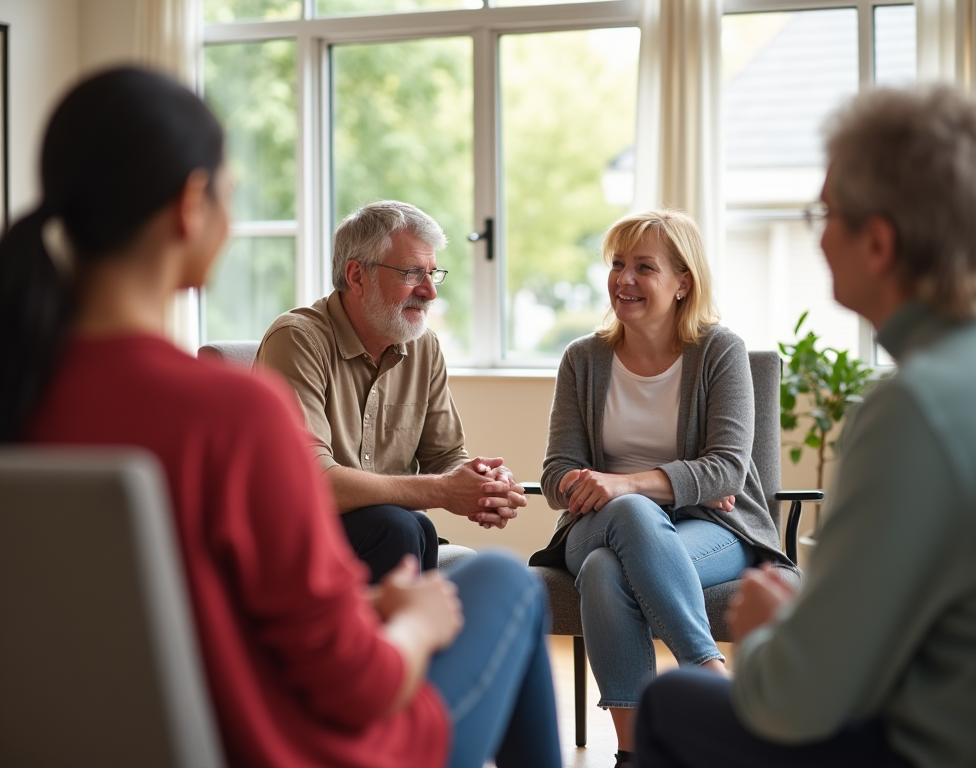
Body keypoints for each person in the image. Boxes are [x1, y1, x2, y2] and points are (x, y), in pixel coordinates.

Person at [0, 66, 561, 768]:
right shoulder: (229, 415)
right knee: (506, 585)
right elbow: (358, 687)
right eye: (231, 195)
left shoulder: (25, 394)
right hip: (291, 749)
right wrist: (411, 627)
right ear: (190, 204)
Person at [636, 84, 976, 768]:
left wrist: (763, 636)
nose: (818, 232)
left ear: (877, 242)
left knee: (670, 705)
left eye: (826, 211)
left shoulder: (916, 411)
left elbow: (793, 703)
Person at [530, 208, 796, 767]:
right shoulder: (583, 359)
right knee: (628, 517)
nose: (623, 280)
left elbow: (727, 469)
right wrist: (671, 485)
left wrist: (623, 482)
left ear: (683, 284)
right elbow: (557, 475)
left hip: (715, 529)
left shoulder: (719, 351)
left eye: (643, 267)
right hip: (595, 525)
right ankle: (712, 681)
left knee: (607, 570)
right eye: (618, 264)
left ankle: (635, 754)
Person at [256, 200, 526, 582]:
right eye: (413, 273)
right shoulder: (298, 340)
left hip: (399, 533)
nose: (430, 292)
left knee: (476, 562)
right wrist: (443, 492)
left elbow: (445, 455)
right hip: (300, 537)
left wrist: (481, 483)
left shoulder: (423, 346)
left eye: (433, 273)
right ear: (357, 276)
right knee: (399, 526)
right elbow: (310, 481)